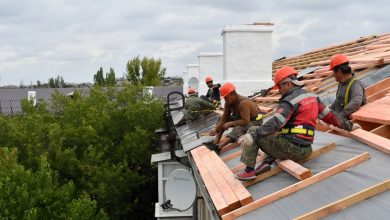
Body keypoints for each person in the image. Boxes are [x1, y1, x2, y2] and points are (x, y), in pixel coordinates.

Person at [236, 66, 342, 181]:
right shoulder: (313, 97)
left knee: (254, 130)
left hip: (291, 150)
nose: (279, 91)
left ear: (288, 84)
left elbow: (276, 122)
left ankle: (248, 172)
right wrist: (349, 126)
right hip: (306, 150)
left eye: (280, 87)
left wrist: (253, 135)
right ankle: (266, 163)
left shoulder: (289, 101)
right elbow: (331, 116)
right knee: (276, 135)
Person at [203, 82, 263, 153]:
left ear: (233, 94)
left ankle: (219, 147)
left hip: (254, 121)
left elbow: (245, 121)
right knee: (221, 119)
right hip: (241, 118)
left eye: (226, 97)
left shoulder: (243, 103)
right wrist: (216, 128)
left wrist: (230, 124)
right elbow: (224, 118)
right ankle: (215, 142)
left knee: (238, 128)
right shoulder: (228, 102)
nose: (225, 100)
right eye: (224, 98)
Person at [329, 54, 366, 131]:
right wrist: (327, 111)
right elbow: (338, 101)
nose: (333, 75)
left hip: (351, 124)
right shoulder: (341, 84)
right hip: (342, 122)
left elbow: (356, 102)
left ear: (339, 72)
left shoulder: (356, 85)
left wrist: (340, 116)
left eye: (333, 72)